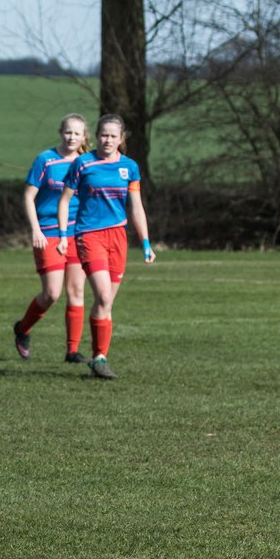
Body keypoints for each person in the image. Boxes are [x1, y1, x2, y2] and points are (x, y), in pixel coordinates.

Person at [56, 114, 156, 380]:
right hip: (89, 235)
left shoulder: (130, 167)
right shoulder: (82, 163)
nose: (108, 140)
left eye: (113, 136)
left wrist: (145, 241)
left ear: (121, 139)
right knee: (102, 295)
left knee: (107, 302)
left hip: (118, 238)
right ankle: (99, 358)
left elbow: (136, 206)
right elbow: (65, 201)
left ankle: (99, 357)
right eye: (103, 135)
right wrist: (64, 235)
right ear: (96, 136)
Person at [13, 114, 90, 363]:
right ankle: (22, 329)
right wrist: (35, 230)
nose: (71, 137)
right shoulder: (45, 160)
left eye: (77, 134)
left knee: (76, 290)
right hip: (48, 233)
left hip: (76, 234)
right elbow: (28, 197)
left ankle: (72, 351)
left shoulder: (87, 162)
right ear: (61, 132)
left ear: (84, 137)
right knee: (52, 294)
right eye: (68, 132)